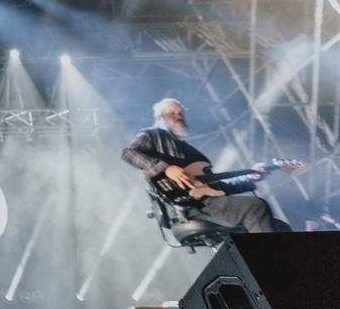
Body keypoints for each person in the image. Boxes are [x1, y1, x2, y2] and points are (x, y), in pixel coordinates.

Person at [122, 98, 289, 234]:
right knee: (255, 206)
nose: (179, 116)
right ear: (160, 117)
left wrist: (251, 177)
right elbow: (129, 153)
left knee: (280, 227)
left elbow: (218, 187)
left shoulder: (188, 152)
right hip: (188, 206)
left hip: (209, 202)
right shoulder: (152, 135)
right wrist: (166, 168)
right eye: (172, 113)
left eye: (181, 113)